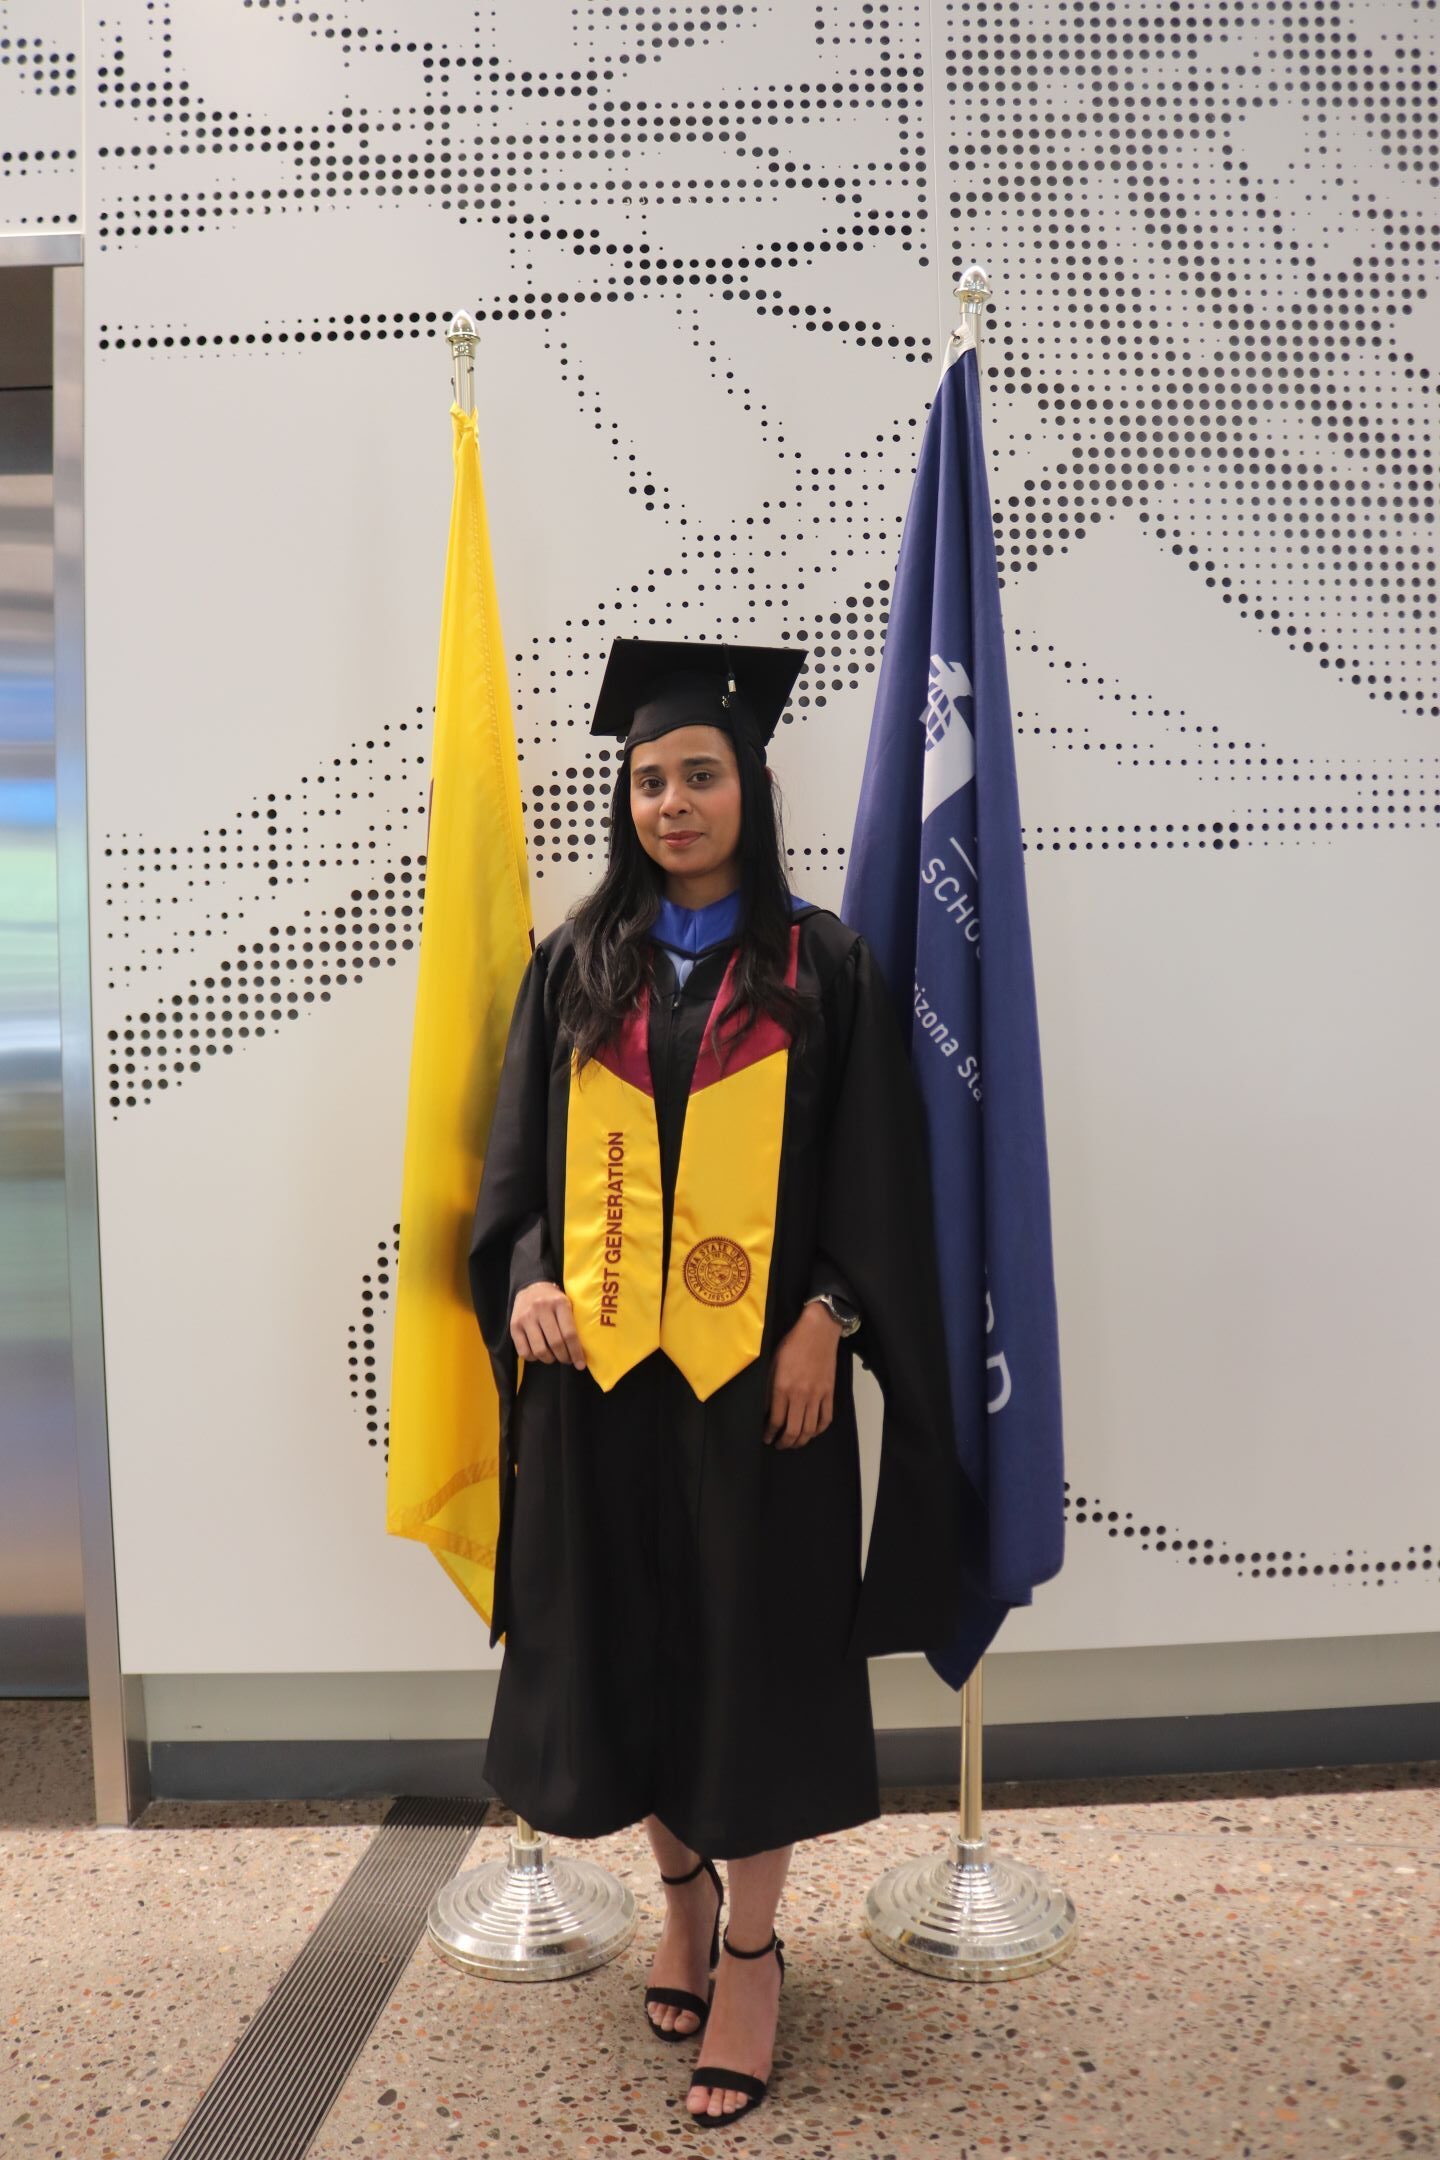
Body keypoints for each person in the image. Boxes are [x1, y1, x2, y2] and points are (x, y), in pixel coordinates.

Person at [467, 635, 971, 2126]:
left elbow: (877, 1175)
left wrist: (832, 1312)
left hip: (762, 1396)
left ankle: (751, 1952)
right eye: (647, 781)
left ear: (750, 785)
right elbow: (517, 1167)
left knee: (755, 1659)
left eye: (699, 775)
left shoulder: (821, 965)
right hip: (604, 1385)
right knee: (626, 1650)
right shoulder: (578, 964)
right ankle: (680, 1903)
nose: (671, 803)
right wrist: (529, 1275)